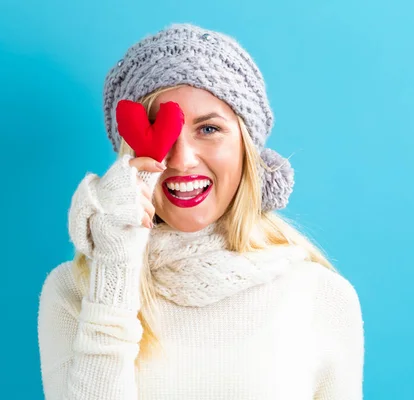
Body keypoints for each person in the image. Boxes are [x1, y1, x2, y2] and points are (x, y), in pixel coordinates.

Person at [37, 22, 364, 399]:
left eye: (208, 130)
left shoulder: (321, 296)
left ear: (246, 148)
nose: (182, 160)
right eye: (159, 130)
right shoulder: (72, 291)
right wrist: (114, 266)